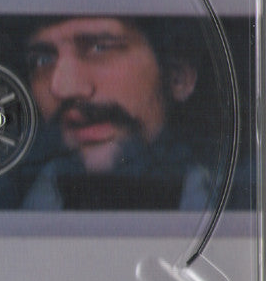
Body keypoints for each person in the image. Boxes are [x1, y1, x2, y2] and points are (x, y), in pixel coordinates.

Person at [20, 16, 211, 211]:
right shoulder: (37, 198)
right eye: (42, 60)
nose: (63, 88)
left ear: (178, 77)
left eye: (99, 48)